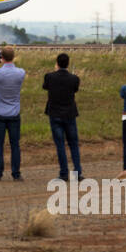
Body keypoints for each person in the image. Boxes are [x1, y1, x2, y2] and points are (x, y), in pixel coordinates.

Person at [0, 47, 26, 181]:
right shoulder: (20, 72)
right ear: (14, 57)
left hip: (0, 113)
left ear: (1, 58)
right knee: (15, 145)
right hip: (14, 113)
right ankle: (16, 173)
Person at [42, 53, 83, 182]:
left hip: (55, 114)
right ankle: (77, 172)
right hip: (69, 114)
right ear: (68, 64)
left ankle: (64, 173)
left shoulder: (49, 77)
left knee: (60, 145)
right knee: (73, 144)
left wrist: (55, 72)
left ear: (57, 63)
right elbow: (75, 89)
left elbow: (45, 86)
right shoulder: (74, 79)